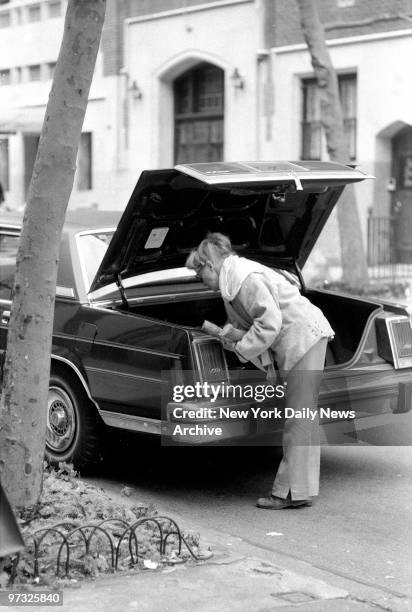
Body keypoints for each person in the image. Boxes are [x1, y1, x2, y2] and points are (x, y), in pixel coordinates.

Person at [186, 232, 334, 509]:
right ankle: (300, 491)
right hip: (305, 336)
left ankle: (284, 494)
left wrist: (242, 348)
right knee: (304, 416)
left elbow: (269, 324)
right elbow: (263, 323)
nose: (201, 283)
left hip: (304, 338)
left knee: (298, 417)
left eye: (199, 275)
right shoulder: (235, 278)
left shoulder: (245, 280)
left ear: (209, 265)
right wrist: (235, 335)